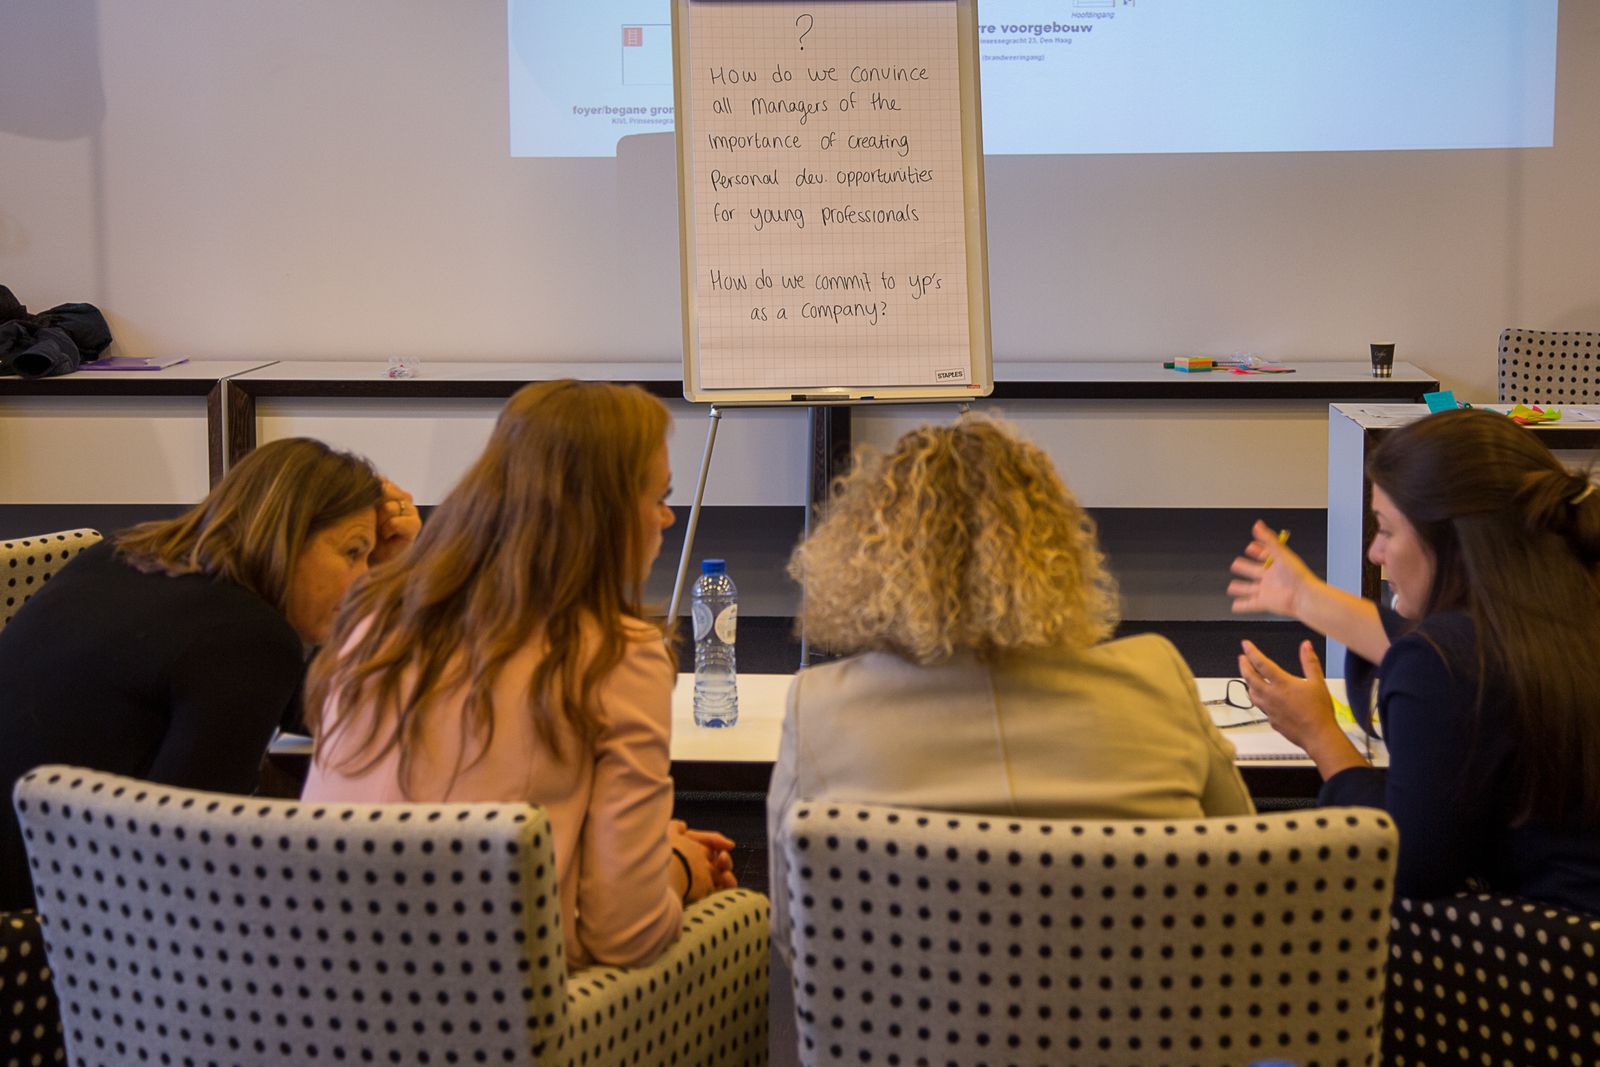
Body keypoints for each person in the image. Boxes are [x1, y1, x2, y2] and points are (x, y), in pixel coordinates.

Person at [768, 415, 1254, 959]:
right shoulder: (1157, 679)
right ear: (1054, 543)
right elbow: (1241, 874)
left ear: (863, 556)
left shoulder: (821, 708)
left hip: (907, 1033)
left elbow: (792, 931)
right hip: (1141, 1027)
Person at [301, 380, 736, 970]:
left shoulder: (371, 620)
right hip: (488, 1016)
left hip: (312, 999)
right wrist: (681, 869)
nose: (667, 515)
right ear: (603, 514)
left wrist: (649, 856)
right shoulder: (619, 654)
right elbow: (624, 935)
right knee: (732, 924)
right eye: (658, 495)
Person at [0, 437, 420, 910]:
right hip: (44, 931)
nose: (363, 577)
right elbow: (196, 865)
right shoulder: (244, 635)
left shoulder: (122, 555)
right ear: (288, 534)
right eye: (352, 553)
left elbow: (326, 710)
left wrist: (393, 577)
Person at [1229, 408, 1600, 913]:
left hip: (1548, 957)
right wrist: (1305, 598)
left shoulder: (1445, 660)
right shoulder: (1562, 611)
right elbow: (1448, 657)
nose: (1375, 553)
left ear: (1450, 541)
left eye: (1385, 529)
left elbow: (1406, 866)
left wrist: (1318, 733)